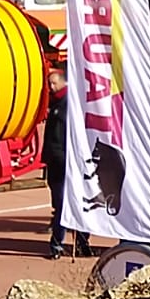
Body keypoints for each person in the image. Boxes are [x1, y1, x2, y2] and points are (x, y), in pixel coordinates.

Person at [42, 69, 91, 259]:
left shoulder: (69, 104)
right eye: (49, 84)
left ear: (63, 82)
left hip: (69, 163)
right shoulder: (55, 104)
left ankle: (74, 243)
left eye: (54, 83)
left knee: (74, 205)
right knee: (60, 206)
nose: (51, 87)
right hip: (56, 164)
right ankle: (62, 243)